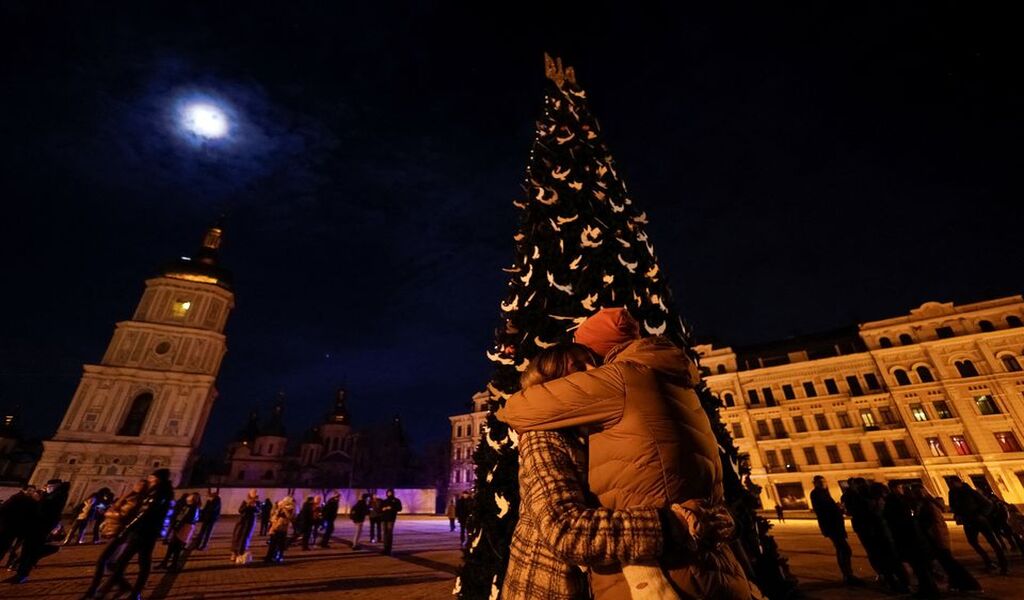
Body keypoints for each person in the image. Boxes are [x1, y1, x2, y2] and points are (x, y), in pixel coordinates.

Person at [498, 309, 760, 599]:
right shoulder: (545, 435)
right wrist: (676, 525)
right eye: (576, 369)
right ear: (553, 384)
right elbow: (565, 530)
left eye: (592, 363)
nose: (591, 373)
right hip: (552, 587)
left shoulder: (609, 417)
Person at [91, 468, 175, 600]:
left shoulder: (159, 493)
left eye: (151, 478)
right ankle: (132, 592)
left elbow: (143, 513)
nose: (148, 480)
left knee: (123, 562)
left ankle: (106, 591)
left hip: (141, 531)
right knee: (143, 563)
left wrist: (126, 528)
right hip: (146, 532)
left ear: (156, 479)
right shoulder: (160, 492)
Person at [841, 477, 908, 592]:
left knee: (880, 557)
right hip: (881, 530)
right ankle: (902, 581)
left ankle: (893, 581)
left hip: (872, 531)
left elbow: (853, 509)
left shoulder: (861, 499)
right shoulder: (875, 498)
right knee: (890, 556)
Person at [909, 485, 981, 592]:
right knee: (947, 563)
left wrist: (934, 538)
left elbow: (932, 524)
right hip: (938, 538)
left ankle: (971, 584)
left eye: (915, 493)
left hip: (937, 539)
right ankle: (958, 583)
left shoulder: (927, 506)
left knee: (949, 563)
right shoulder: (929, 504)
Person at [87, 479, 147, 598]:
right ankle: (125, 588)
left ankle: (94, 591)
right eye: (137, 483)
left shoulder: (138, 500)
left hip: (122, 532)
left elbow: (123, 515)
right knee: (109, 563)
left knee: (103, 561)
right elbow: (114, 510)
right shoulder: (129, 496)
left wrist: (111, 512)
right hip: (114, 530)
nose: (137, 484)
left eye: (141, 484)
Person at [881, 483, 939, 598]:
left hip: (909, 538)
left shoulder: (895, 502)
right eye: (899, 487)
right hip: (914, 537)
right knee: (921, 566)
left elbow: (897, 521)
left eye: (901, 487)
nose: (901, 489)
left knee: (920, 566)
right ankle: (929, 589)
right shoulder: (902, 501)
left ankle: (929, 591)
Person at [7, 478, 69, 584]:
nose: (47, 489)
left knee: (29, 552)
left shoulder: (56, 496)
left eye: (49, 487)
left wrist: (38, 499)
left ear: (55, 486)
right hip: (38, 527)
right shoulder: (55, 495)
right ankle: (21, 574)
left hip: (40, 528)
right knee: (28, 551)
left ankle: (22, 575)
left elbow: (45, 510)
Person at [809, 476, 861, 586]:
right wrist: (837, 508)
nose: (823, 483)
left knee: (842, 549)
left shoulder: (823, 493)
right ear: (815, 483)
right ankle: (848, 575)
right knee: (844, 549)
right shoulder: (816, 494)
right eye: (820, 482)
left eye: (823, 481)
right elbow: (824, 509)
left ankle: (848, 574)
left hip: (835, 525)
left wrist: (837, 508)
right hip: (832, 526)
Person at [948, 477, 1007, 574]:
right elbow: (953, 506)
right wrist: (957, 514)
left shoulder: (970, 491)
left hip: (979, 520)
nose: (951, 485)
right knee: (972, 542)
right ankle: (988, 562)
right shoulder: (952, 493)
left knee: (992, 542)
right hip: (967, 521)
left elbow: (988, 504)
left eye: (952, 483)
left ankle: (1003, 565)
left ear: (958, 482)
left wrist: (981, 515)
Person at [159, 492, 200, 572]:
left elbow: (188, 519)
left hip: (183, 529)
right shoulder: (187, 506)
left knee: (177, 547)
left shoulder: (193, 508)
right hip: (178, 527)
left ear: (193, 499)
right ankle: (165, 562)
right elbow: (180, 516)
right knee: (171, 546)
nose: (188, 498)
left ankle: (174, 565)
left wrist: (178, 526)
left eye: (190, 497)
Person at [230, 489, 260, 565]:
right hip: (242, 521)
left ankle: (240, 553)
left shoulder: (257, 502)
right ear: (249, 494)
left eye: (255, 493)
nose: (255, 494)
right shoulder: (245, 501)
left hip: (250, 522)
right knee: (237, 536)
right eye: (253, 492)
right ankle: (234, 552)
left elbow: (258, 511)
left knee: (245, 537)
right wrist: (247, 505)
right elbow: (240, 510)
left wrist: (255, 506)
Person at [264, 496, 295, 564]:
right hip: (275, 527)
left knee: (281, 544)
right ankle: (269, 557)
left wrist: (284, 509)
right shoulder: (279, 507)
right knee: (272, 544)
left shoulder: (291, 508)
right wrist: (276, 508)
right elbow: (273, 515)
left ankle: (279, 556)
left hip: (282, 529)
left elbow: (289, 517)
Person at [378, 489, 402, 555]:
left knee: (389, 534)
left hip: (391, 519)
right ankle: (385, 548)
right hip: (384, 519)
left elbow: (399, 508)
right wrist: (383, 509)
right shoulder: (384, 501)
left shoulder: (396, 500)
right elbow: (379, 509)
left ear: (393, 493)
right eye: (388, 492)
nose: (389, 493)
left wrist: (391, 508)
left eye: (390, 492)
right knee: (385, 534)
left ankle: (389, 549)